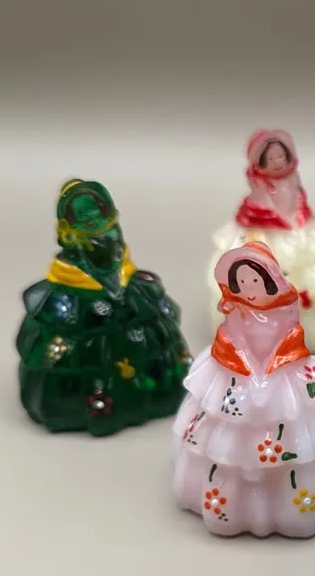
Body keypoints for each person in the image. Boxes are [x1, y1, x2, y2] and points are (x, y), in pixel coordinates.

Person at [174, 242, 315, 537]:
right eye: (241, 283)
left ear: (268, 280)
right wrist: (249, 371)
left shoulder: (285, 308)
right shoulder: (236, 312)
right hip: (238, 375)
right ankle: (231, 501)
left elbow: (290, 338)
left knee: (299, 435)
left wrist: (269, 372)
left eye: (254, 280)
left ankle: (299, 503)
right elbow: (232, 340)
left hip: (284, 372)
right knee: (228, 441)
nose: (249, 289)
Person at [16, 178, 191, 436]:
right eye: (85, 216)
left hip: (121, 286)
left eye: (98, 213)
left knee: (146, 338)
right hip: (80, 292)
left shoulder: (116, 244)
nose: (93, 220)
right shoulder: (71, 254)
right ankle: (93, 402)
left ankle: (153, 390)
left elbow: (115, 254)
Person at [209, 128, 315, 351]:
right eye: (270, 159)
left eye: (280, 157)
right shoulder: (259, 184)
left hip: (297, 228)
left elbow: (297, 202)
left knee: (311, 277)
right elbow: (263, 207)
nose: (277, 163)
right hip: (266, 231)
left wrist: (303, 220)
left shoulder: (293, 179)